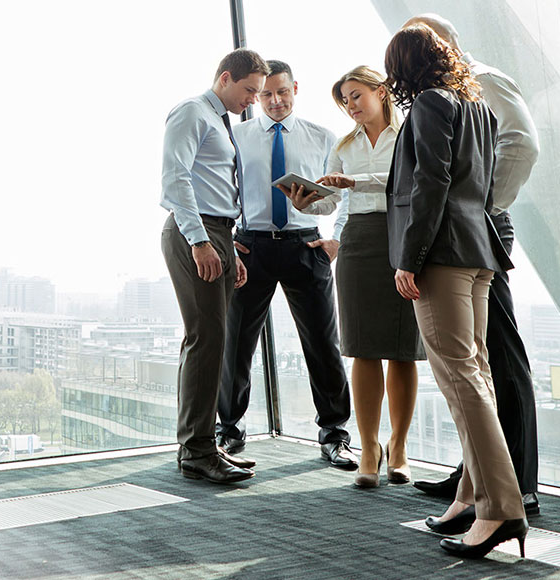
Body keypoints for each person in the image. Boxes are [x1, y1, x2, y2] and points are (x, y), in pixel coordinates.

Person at [384, 25, 528, 558]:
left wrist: (409, 256)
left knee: (460, 377)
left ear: (403, 67)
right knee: (478, 372)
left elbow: (431, 184)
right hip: (478, 251)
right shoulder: (476, 106)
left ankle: (499, 509)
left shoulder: (427, 104)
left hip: (441, 254)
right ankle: (469, 497)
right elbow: (481, 186)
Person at [287, 66, 425, 488]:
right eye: (344, 100)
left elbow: (413, 182)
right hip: (359, 240)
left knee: (404, 349)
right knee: (363, 348)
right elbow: (331, 205)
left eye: (355, 95)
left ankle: (398, 446)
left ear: (381, 92)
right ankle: (369, 446)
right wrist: (305, 202)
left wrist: (356, 181)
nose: (350, 105)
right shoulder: (343, 144)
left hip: (402, 236)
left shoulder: (409, 135)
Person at [216, 60, 357, 470]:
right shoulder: (235, 137)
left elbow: (342, 196)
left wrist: (336, 241)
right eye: (266, 95)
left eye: (282, 92)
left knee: (322, 342)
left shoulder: (322, 138)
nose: (275, 102)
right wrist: (227, 239)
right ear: (256, 95)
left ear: (295, 88)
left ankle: (334, 433)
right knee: (236, 342)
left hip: (305, 244)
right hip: (250, 247)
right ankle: (229, 428)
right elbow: (222, 191)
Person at [160, 49, 269, 484]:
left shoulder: (221, 121)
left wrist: (229, 248)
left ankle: (203, 444)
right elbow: (175, 177)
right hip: (197, 232)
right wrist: (201, 241)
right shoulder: (192, 112)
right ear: (225, 78)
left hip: (220, 234)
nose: (253, 100)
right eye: (249, 91)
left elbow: (218, 183)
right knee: (206, 339)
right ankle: (197, 451)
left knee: (212, 340)